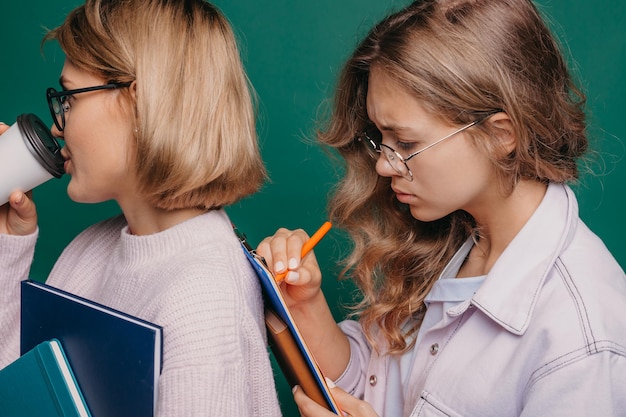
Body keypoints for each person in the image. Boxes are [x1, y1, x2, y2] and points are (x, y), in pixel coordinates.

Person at [257, 1, 626, 416]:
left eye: (407, 144)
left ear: (501, 133)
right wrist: (305, 305)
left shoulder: (582, 338)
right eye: (381, 138)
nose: (382, 164)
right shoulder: (453, 240)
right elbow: (376, 388)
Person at [0, 0, 282, 415]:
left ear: (139, 102)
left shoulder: (203, 296)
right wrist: (9, 243)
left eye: (70, 98)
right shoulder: (88, 252)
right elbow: (18, 394)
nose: (57, 125)